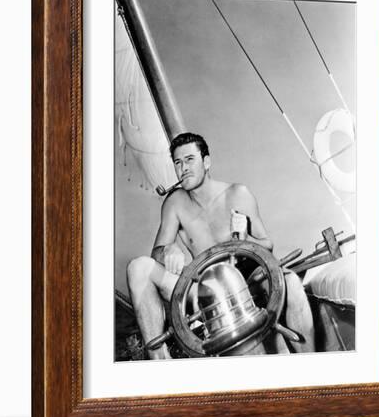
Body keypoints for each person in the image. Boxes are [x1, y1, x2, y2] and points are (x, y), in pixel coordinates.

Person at [127, 132, 314, 359]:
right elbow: (156, 253)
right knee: (138, 267)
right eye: (178, 162)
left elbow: (268, 245)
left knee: (292, 282)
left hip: (248, 280)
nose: (183, 167)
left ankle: (310, 362)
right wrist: (168, 250)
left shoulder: (238, 194)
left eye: (189, 159)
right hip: (203, 288)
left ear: (206, 162)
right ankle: (160, 362)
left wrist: (246, 239)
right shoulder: (174, 203)